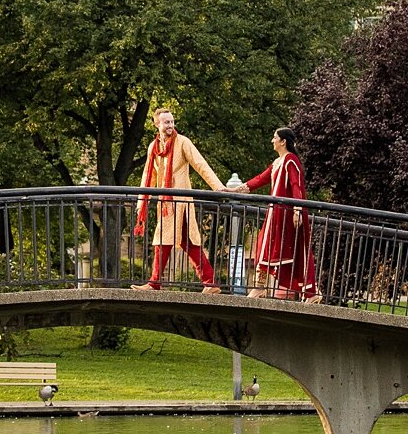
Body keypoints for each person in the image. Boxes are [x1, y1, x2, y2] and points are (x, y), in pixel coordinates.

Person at [132, 107, 224, 289]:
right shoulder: (153, 147)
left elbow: (200, 165)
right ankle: (210, 282)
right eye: (166, 122)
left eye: (172, 122)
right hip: (166, 203)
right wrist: (141, 201)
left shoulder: (182, 142)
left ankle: (155, 283)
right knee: (185, 242)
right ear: (157, 124)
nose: (170, 126)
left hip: (181, 202)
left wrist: (219, 188)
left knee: (164, 240)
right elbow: (147, 177)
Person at [242, 126, 316, 300]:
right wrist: (235, 190)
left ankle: (262, 288)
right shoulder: (278, 162)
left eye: (275, 137)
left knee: (276, 247)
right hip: (275, 214)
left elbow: (296, 184)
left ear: (283, 141)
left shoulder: (290, 160)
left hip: (284, 214)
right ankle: (263, 287)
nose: (272, 140)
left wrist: (297, 209)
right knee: (266, 246)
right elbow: (261, 179)